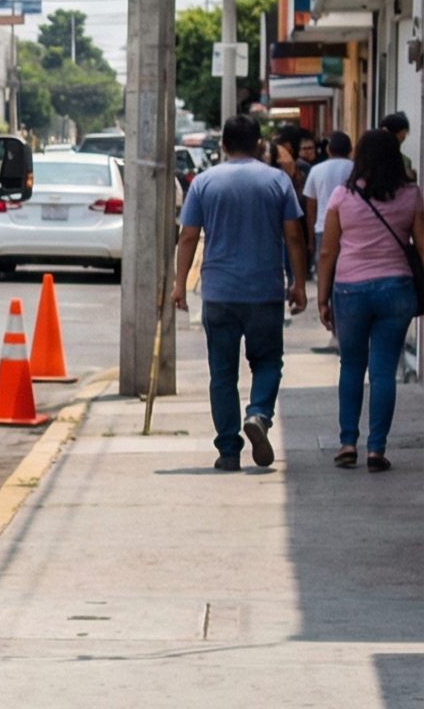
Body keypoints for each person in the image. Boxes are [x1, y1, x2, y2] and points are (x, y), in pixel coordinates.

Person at [174, 112, 307, 470]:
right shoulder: (277, 181)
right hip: (264, 290)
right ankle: (259, 413)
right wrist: (298, 283)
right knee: (267, 362)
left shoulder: (204, 182)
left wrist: (179, 286)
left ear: (222, 145)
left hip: (219, 292)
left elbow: (188, 236)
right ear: (260, 144)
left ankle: (228, 451)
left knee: (222, 373)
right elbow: (294, 234)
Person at [317, 127, 418, 472]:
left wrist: (322, 299)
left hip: (350, 290)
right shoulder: (411, 195)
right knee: (384, 371)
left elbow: (327, 252)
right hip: (396, 289)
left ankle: (348, 443)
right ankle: (376, 450)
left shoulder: (342, 197)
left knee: (351, 365)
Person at [304, 131, 354, 254]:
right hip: (351, 228)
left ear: (328, 149)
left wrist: (310, 238)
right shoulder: (356, 169)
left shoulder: (316, 170)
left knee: (324, 269)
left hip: (323, 227)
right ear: (350, 150)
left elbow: (311, 206)